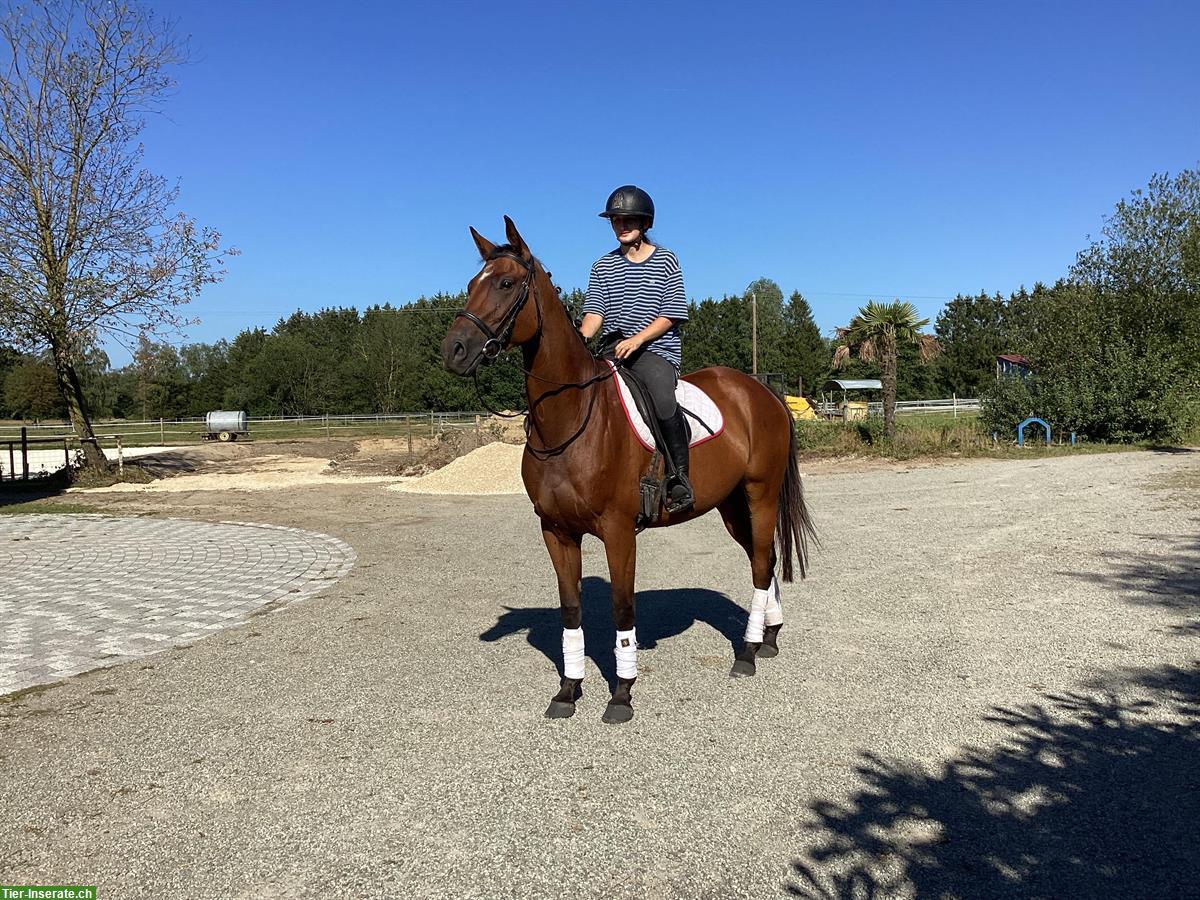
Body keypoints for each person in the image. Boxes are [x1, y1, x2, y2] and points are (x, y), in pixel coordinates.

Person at [579, 185, 693, 513]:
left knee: (660, 394)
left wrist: (638, 339)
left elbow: (671, 313)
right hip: (613, 351)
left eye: (628, 219)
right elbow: (595, 313)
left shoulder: (667, 260)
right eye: (615, 220)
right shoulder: (602, 266)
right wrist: (581, 338)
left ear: (644, 222)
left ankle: (679, 477)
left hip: (656, 351)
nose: (621, 225)